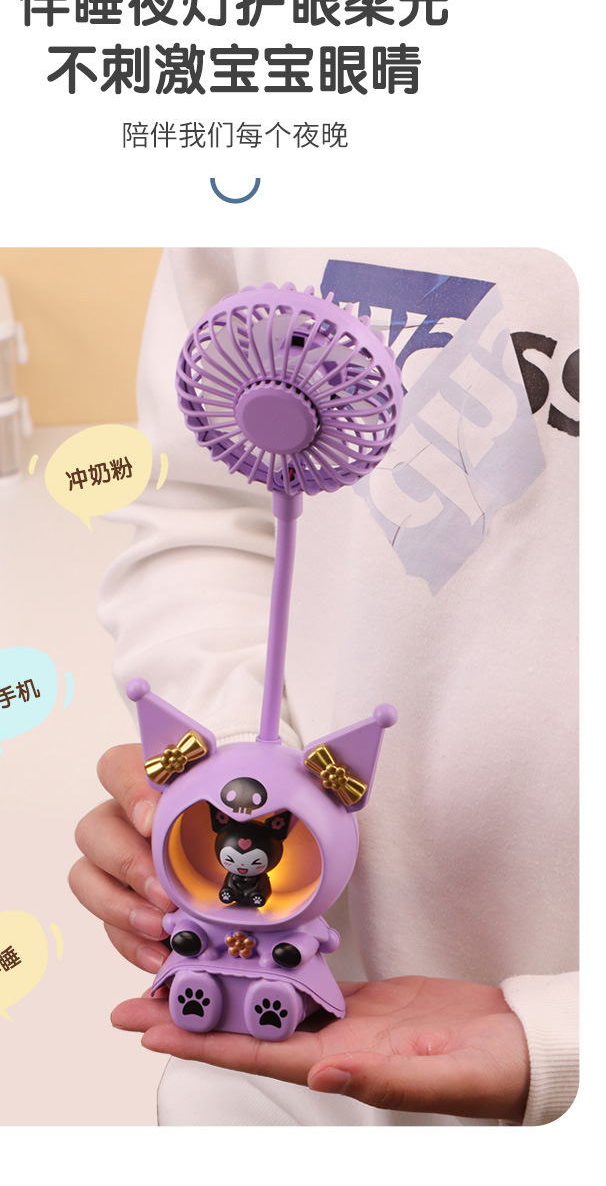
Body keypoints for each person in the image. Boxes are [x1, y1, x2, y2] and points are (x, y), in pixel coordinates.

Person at [69, 247, 578, 1126]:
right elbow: (202, 510)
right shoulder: (254, 186)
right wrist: (222, 753)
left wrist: (570, 1031)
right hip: (275, 1090)